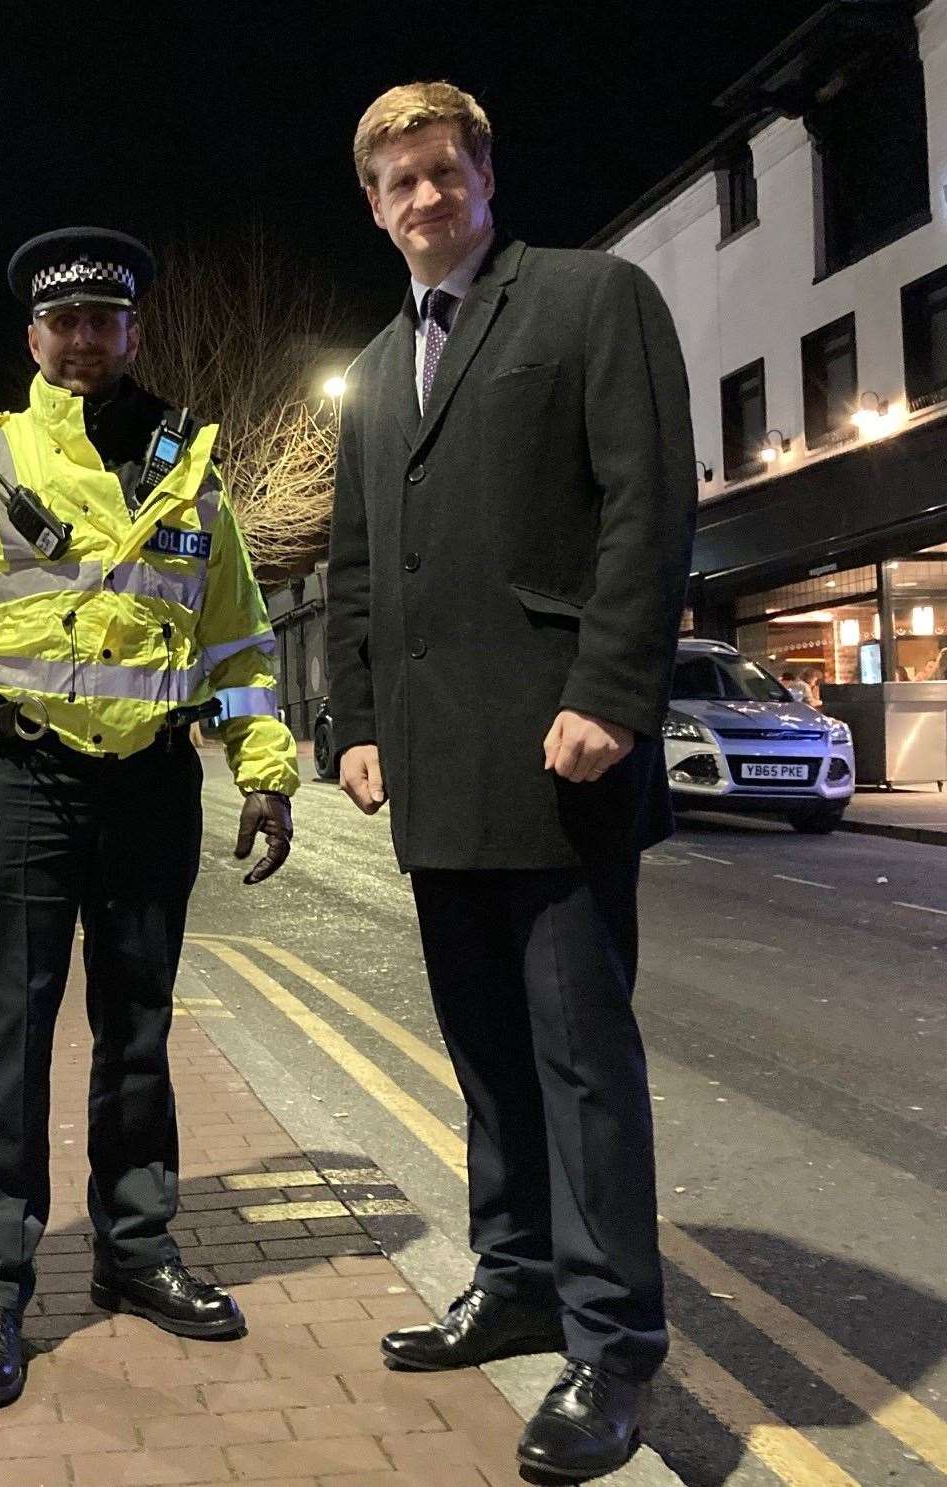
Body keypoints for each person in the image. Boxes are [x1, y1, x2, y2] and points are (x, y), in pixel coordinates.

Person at [0, 227, 298, 1408]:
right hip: (20, 783)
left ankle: (136, 1248)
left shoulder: (188, 469)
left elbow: (241, 639)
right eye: (65, 323)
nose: (86, 339)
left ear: (133, 331)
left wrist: (264, 763)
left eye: (107, 319)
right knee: (9, 1035)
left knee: (139, 1031)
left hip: (153, 782)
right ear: (34, 339)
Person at [325, 84, 696, 1481]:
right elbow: (360, 568)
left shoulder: (593, 301)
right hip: (434, 773)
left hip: (560, 757)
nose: (426, 199)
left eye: (443, 171)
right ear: (372, 208)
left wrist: (610, 690)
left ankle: (612, 1350)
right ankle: (517, 1274)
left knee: (583, 1067)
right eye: (398, 184)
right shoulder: (374, 368)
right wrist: (355, 721)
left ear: (484, 171)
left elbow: (647, 502)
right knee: (485, 1057)